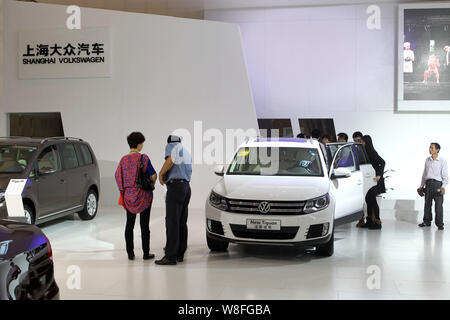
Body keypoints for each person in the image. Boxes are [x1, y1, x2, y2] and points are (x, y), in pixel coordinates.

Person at [115, 132, 157, 260]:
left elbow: (117, 176)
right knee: (144, 226)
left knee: (129, 225)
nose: (142, 145)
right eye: (142, 143)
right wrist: (150, 184)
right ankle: (145, 253)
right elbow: (154, 174)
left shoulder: (123, 160)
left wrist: (124, 190)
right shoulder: (143, 158)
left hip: (129, 196)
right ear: (139, 144)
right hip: (143, 196)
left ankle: (130, 254)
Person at [155, 135, 192, 265]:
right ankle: (180, 253)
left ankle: (170, 256)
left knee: (172, 222)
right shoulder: (186, 151)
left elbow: (171, 159)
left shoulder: (172, 148)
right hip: (186, 187)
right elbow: (190, 173)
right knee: (182, 221)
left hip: (175, 187)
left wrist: (161, 174)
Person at [357, 135, 385, 230]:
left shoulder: (372, 152)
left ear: (367, 142)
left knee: (372, 201)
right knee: (368, 200)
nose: (361, 143)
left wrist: (379, 175)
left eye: (363, 142)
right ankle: (369, 221)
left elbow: (382, 162)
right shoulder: (365, 152)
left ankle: (377, 222)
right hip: (369, 181)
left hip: (375, 181)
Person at [418, 143, 448, 230]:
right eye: (429, 147)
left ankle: (440, 224)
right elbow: (424, 174)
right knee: (427, 203)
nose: (430, 149)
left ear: (437, 150)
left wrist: (443, 187)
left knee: (438, 205)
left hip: (438, 184)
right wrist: (421, 186)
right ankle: (426, 221)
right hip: (428, 184)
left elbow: (445, 176)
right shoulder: (427, 160)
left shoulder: (442, 160)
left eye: (432, 148)